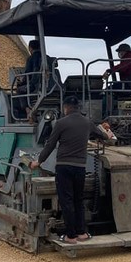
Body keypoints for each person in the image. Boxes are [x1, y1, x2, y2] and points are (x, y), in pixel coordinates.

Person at [29, 96, 110, 243]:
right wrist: (106, 132)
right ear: (78, 108)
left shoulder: (60, 123)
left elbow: (50, 145)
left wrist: (38, 161)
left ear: (66, 108)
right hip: (80, 168)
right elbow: (103, 136)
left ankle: (70, 236)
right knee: (78, 200)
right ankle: (82, 233)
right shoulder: (87, 122)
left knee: (67, 201)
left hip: (64, 167)